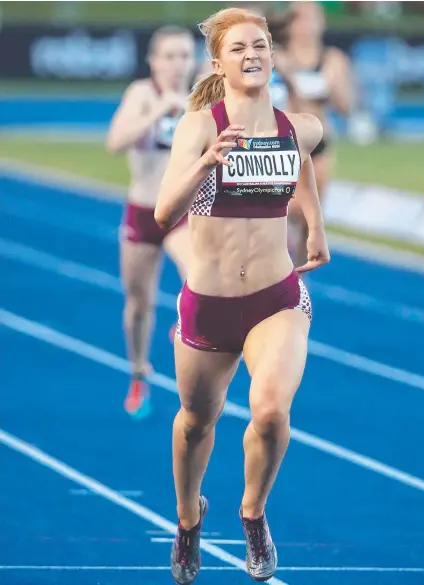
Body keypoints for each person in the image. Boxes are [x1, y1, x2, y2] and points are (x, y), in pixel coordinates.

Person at [155, 7, 330, 584]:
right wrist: (206, 163)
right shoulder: (202, 125)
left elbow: (304, 154)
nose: (251, 54)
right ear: (219, 63)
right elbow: (163, 213)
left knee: (272, 410)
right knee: (195, 424)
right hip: (209, 304)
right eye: (238, 49)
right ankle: (187, 521)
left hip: (275, 297)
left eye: (260, 45)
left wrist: (317, 225)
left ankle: (252, 514)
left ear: (272, 55)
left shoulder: (297, 124)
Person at [106, 26, 196, 417]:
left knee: (198, 275)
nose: (178, 64)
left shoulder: (201, 97)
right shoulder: (142, 94)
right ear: (154, 60)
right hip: (142, 212)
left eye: (184, 56)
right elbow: (115, 141)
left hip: (182, 212)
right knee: (139, 305)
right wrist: (161, 110)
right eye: (170, 56)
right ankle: (139, 370)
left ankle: (187, 324)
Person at [269, 1, 352, 266]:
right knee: (287, 211)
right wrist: (289, 76)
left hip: (319, 145)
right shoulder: (275, 57)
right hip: (285, 145)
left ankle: (299, 282)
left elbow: (346, 107)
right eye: (301, 19)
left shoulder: (332, 59)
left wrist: (331, 86)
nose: (307, 26)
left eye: (313, 18)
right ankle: (280, 267)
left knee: (310, 220)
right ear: (291, 24)